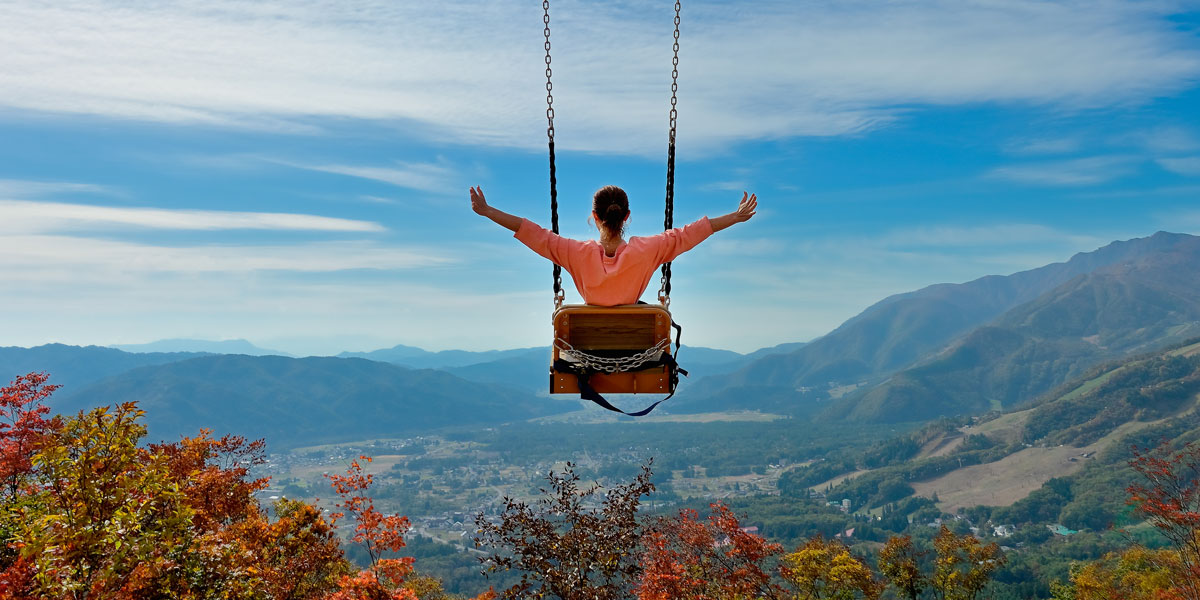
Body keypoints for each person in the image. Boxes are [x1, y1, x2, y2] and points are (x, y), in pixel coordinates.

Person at [469, 184, 757, 306]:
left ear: (594, 217)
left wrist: (488, 211)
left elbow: (532, 232)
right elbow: (689, 234)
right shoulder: (649, 249)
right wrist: (734, 216)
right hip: (635, 348)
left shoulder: (574, 253)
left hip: (589, 351)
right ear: (627, 216)